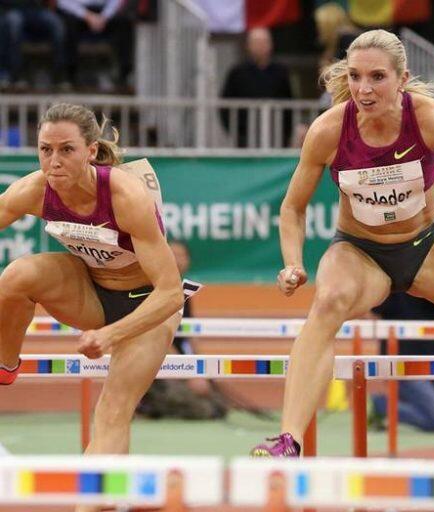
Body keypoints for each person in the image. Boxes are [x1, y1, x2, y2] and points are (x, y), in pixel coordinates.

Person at [251, 28, 434, 457]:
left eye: (377, 77)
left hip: (426, 247)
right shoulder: (329, 130)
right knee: (328, 303)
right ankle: (287, 440)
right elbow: (292, 209)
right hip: (360, 251)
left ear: (402, 79)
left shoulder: (431, 118)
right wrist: (292, 262)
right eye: (355, 76)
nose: (364, 89)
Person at [0, 103, 186, 512]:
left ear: (91, 151)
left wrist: (111, 335)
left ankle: (92, 504)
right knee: (15, 276)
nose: (54, 161)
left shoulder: (124, 195)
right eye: (45, 149)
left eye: (66, 150)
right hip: (92, 292)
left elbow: (171, 293)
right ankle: (4, 365)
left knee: (112, 410)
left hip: (147, 306)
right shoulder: (33, 189)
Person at [137, 241, 228, 420]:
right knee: (204, 410)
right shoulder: (154, 290)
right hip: (156, 366)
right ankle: (147, 402)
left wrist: (202, 369)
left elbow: (190, 334)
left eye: (181, 256)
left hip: (179, 362)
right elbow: (160, 340)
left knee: (219, 404)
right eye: (173, 255)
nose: (177, 260)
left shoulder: (183, 290)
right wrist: (187, 372)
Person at [369, 293, 434, 432]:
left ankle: (397, 402)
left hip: (433, 363)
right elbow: (375, 307)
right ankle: (381, 405)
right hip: (403, 365)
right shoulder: (392, 289)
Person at [220, 27, 293, 148]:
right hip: (245, 136)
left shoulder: (281, 72)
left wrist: (286, 133)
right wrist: (235, 131)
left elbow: (289, 101)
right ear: (248, 46)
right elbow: (225, 104)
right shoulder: (237, 72)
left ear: (271, 45)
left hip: (276, 135)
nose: (261, 46)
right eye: (257, 42)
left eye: (264, 42)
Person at [56, 0, 135, 91]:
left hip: (105, 12)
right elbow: (63, 2)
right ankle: (69, 75)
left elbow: (116, 2)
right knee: (66, 25)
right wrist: (86, 16)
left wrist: (105, 17)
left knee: (124, 22)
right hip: (77, 12)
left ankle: (124, 75)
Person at [0, 0, 69, 91]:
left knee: (57, 24)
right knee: (14, 25)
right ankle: (14, 75)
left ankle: (59, 75)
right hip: (12, 9)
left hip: (37, 10)